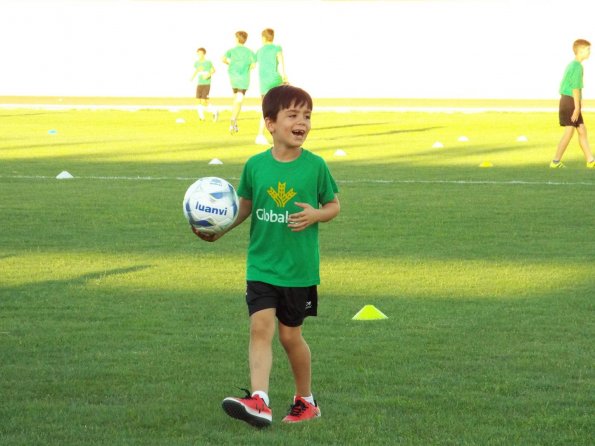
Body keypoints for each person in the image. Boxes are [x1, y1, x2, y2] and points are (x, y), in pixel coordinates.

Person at [192, 85, 340, 427]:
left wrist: (317, 215)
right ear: (270, 124)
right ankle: (259, 400)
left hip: (298, 269)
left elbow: (333, 205)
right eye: (293, 115)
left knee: (290, 336)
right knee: (260, 327)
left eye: (307, 116)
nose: (302, 121)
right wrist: (219, 231)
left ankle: (306, 401)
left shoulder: (315, 166)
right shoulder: (255, 166)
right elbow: (243, 207)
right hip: (261, 264)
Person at [550, 39, 595, 169]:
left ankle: (590, 160)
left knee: (582, 130)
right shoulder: (577, 66)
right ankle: (555, 161)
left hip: (568, 101)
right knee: (569, 132)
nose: (589, 52)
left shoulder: (573, 65)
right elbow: (575, 88)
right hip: (570, 102)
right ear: (580, 51)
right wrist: (577, 107)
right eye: (587, 49)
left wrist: (578, 105)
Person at [255, 28, 288, 145]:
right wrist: (285, 77)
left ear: (263, 38)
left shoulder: (259, 51)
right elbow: (281, 62)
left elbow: (253, 64)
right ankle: (278, 134)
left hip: (264, 84)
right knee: (280, 109)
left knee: (266, 110)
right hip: (275, 81)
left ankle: (261, 134)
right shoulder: (277, 48)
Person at [222, 31, 256, 134]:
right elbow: (253, 65)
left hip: (233, 79)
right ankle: (233, 120)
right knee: (239, 101)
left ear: (237, 39)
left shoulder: (231, 50)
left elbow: (223, 59)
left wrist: (231, 64)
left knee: (236, 100)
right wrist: (247, 68)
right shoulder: (249, 51)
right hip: (243, 79)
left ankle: (234, 121)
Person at [190, 47, 218, 122]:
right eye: (198, 53)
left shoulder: (208, 62)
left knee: (204, 101)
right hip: (199, 83)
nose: (200, 55)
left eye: (201, 53)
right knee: (198, 100)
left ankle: (215, 112)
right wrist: (192, 78)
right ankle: (201, 117)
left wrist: (208, 75)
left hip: (206, 83)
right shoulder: (196, 63)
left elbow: (213, 70)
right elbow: (197, 70)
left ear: (204, 54)